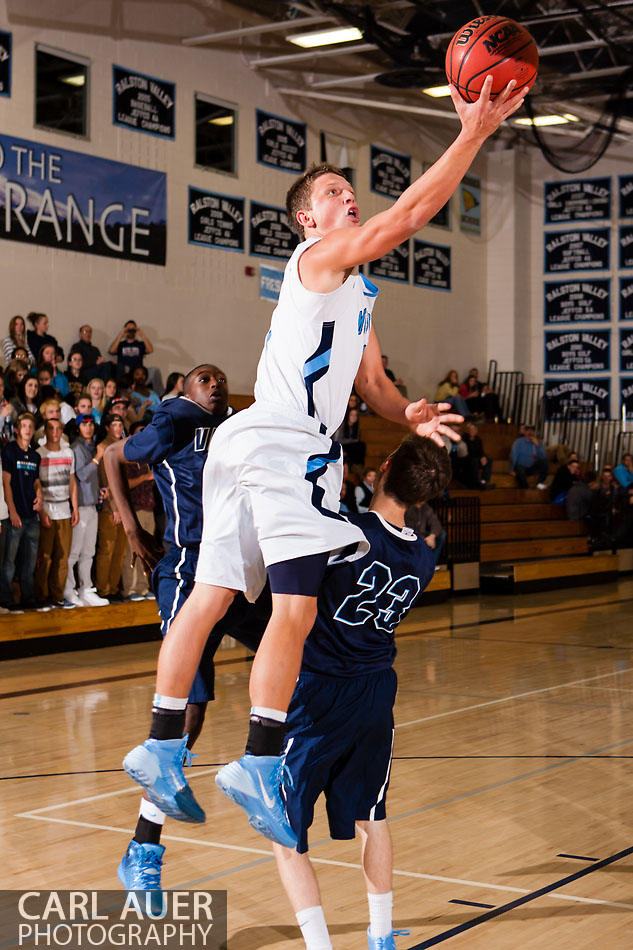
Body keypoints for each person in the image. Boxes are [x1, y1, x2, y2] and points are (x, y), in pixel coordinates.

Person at [121, 77, 527, 843]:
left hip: (248, 442)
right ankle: (258, 759)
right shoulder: (320, 256)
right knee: (297, 611)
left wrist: (403, 409)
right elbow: (408, 215)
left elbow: (369, 384)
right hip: (287, 447)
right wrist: (472, 132)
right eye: (336, 191)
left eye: (349, 191)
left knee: (209, 599)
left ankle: (162, 743)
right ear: (307, 217)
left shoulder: (355, 291)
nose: (350, 198)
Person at [272, 435, 451, 950]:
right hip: (376, 691)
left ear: (385, 465)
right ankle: (380, 936)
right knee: (373, 816)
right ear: (421, 497)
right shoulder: (423, 559)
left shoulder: (344, 533)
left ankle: (320, 945)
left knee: (285, 829)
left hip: (319, 690)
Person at [105, 364, 269, 898]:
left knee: (290, 651)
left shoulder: (238, 426)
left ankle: (265, 767)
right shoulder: (175, 417)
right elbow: (110, 457)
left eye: (221, 377)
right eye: (204, 377)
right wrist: (132, 529)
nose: (215, 382)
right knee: (189, 713)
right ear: (185, 389)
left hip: (236, 569)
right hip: (188, 568)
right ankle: (143, 849)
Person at [64, 414, 110, 607]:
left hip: (92, 505)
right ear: (77, 428)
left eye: (91, 424)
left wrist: (100, 489)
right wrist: (98, 457)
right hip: (80, 507)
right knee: (74, 552)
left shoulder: (91, 447)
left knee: (88, 551)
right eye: (84, 425)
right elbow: (81, 476)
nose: (89, 428)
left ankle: (86, 589)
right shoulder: (75, 448)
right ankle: (69, 590)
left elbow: (90, 478)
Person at [0, 413, 44, 610]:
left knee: (29, 561)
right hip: (15, 516)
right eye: (23, 425)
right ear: (17, 429)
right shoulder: (9, 451)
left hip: (31, 515)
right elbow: (6, 483)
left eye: (30, 426)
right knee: (9, 562)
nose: (27, 429)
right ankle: (7, 598)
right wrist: (12, 511)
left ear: (33, 430)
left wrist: (40, 494)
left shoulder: (36, 456)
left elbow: (36, 481)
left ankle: (28, 597)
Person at [35, 418, 79, 608]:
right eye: (51, 429)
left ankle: (57, 595)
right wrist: (42, 511)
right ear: (45, 432)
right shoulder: (39, 454)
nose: (55, 432)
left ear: (62, 431)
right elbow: (35, 485)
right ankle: (41, 596)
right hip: (47, 510)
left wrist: (75, 507)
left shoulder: (69, 452)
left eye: (58, 428)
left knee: (63, 557)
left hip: (64, 509)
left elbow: (72, 482)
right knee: (45, 556)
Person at [120, 422, 156, 602]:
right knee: (131, 550)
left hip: (149, 507)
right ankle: (130, 588)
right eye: (138, 432)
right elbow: (124, 484)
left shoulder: (148, 457)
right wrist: (143, 478)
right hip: (134, 508)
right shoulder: (126, 457)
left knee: (148, 550)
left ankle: (143, 587)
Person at [94, 413, 127, 601]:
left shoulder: (121, 445)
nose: (118, 428)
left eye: (120, 424)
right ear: (107, 427)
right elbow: (106, 482)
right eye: (114, 424)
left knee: (120, 551)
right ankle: (103, 589)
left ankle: (113, 588)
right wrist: (114, 507)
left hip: (122, 505)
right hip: (110, 507)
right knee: (106, 549)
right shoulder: (104, 447)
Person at [404, 500, 446, 566]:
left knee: (442, 534)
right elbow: (409, 530)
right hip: (410, 536)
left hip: (422, 536)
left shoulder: (426, 508)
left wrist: (432, 536)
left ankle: (431, 565)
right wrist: (423, 540)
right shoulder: (408, 509)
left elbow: (436, 524)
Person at [509, 424, 549, 489]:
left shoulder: (538, 442)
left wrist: (538, 445)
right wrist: (511, 469)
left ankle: (539, 483)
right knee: (520, 472)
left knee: (545, 462)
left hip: (532, 467)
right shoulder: (518, 442)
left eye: (532, 431)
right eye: (528, 431)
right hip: (521, 467)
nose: (530, 433)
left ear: (534, 432)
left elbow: (543, 456)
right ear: (524, 432)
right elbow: (513, 456)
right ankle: (525, 489)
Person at [459, 421, 493, 489]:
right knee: (474, 461)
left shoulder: (478, 439)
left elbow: (481, 451)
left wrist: (483, 457)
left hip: (476, 460)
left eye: (474, 429)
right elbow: (465, 453)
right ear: (468, 430)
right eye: (471, 429)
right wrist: (479, 457)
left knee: (488, 460)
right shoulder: (464, 438)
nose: (472, 431)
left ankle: (484, 481)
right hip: (466, 460)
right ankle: (476, 482)